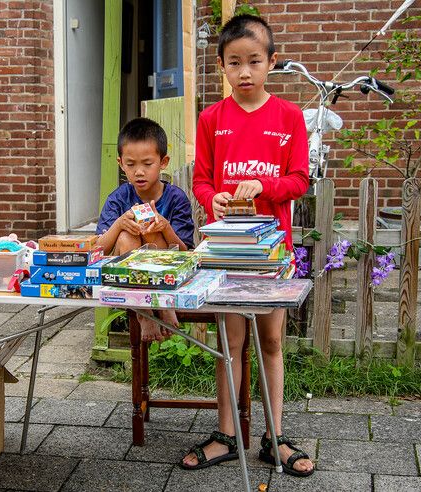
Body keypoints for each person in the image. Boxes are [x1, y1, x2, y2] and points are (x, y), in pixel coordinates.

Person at [184, 14, 315, 476]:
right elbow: (201, 181)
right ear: (220, 64)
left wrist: (263, 186)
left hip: (272, 251)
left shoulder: (289, 117)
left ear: (271, 63)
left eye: (254, 61)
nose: (244, 71)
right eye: (234, 62)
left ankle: (274, 436)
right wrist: (211, 196)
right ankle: (225, 433)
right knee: (230, 341)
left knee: (272, 340)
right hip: (225, 251)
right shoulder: (210, 118)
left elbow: (299, 180)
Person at [96, 117, 195, 342]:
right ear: (121, 163)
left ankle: (163, 301)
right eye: (131, 165)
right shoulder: (118, 199)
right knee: (126, 234)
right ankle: (145, 313)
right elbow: (98, 250)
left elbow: (185, 252)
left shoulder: (176, 198)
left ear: (163, 161)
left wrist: (165, 227)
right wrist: (120, 223)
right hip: (129, 274)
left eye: (147, 164)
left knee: (151, 230)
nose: (139, 172)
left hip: (167, 275)